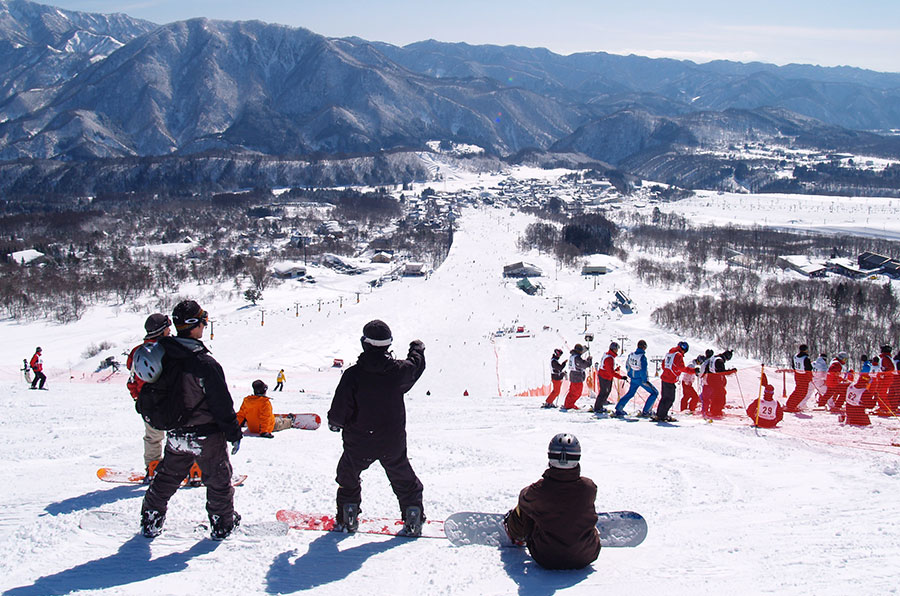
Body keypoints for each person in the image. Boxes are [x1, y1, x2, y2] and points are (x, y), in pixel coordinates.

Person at [140, 300, 243, 540]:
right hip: (205, 435)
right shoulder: (204, 363)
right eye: (203, 320)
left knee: (167, 476)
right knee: (218, 480)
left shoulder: (164, 355)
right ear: (194, 324)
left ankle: (151, 518)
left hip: (176, 433)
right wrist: (233, 433)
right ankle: (222, 524)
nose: (205, 325)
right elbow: (221, 404)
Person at [327, 320, 427, 536]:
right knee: (403, 477)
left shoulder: (353, 375)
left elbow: (341, 406)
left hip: (359, 441)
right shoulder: (398, 371)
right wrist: (416, 349)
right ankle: (412, 513)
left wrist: (336, 422)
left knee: (348, 475)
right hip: (391, 442)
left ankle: (348, 512)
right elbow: (416, 365)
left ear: (365, 343)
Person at [503, 433, 601, 570]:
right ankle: (581, 532)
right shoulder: (589, 487)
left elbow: (523, 498)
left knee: (527, 507)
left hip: (546, 557)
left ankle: (514, 531)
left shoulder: (538, 490)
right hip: (587, 556)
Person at [126, 314, 171, 481]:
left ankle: (153, 467)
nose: (169, 330)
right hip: (170, 401)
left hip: (148, 404)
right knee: (182, 435)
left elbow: (132, 378)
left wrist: (137, 398)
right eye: (167, 327)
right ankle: (193, 467)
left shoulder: (137, 352)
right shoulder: (168, 349)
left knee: (153, 436)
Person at [614, 340, 658, 418]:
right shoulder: (642, 357)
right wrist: (645, 380)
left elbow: (627, 365)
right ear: (644, 347)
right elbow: (643, 370)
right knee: (655, 393)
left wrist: (630, 374)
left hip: (633, 378)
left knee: (630, 393)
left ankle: (619, 408)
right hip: (641, 379)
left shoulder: (631, 355)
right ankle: (646, 411)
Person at [655, 341, 691, 422]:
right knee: (670, 399)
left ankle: (659, 414)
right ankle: (662, 416)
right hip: (670, 379)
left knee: (664, 398)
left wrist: (668, 372)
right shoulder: (678, 355)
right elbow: (682, 368)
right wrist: (693, 371)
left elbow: (663, 364)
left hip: (665, 378)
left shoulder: (670, 353)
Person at [592, 342, 626, 414]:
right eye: (616, 349)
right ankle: (597, 407)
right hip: (605, 377)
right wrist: (621, 377)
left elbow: (608, 369)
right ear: (613, 349)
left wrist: (615, 370)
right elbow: (610, 372)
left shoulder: (609, 356)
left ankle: (600, 406)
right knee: (604, 392)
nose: (617, 351)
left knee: (606, 392)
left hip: (606, 376)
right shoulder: (609, 358)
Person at [705, 349, 737, 418]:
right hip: (715, 379)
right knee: (721, 394)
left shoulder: (714, 357)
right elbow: (722, 372)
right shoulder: (719, 361)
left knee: (716, 394)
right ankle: (716, 411)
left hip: (710, 377)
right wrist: (731, 371)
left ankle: (713, 410)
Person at [785, 344, 813, 412]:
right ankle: (793, 406)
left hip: (797, 375)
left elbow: (793, 366)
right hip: (804, 376)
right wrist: (810, 377)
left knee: (797, 390)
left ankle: (789, 404)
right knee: (803, 392)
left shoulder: (795, 356)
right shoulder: (806, 358)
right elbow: (809, 368)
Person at [562, 344, 592, 410]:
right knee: (577, 393)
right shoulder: (577, 357)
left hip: (573, 375)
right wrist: (589, 361)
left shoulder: (573, 356)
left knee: (572, 392)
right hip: (577, 377)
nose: (581, 352)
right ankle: (569, 405)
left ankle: (568, 404)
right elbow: (584, 364)